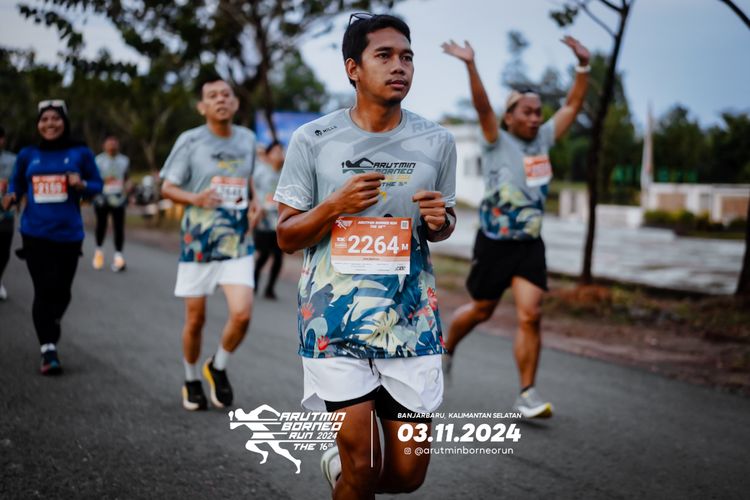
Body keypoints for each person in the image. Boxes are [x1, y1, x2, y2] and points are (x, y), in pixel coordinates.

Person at [274, 13, 456, 498]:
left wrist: (441, 222)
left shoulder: (437, 142)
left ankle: (343, 469)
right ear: (353, 68)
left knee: (407, 475)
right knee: (363, 466)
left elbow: (443, 224)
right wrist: (334, 206)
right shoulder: (312, 140)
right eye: (385, 55)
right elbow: (286, 236)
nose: (400, 66)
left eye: (407, 57)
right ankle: (350, 470)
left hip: (409, 322)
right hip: (333, 320)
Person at [441, 36, 589, 418]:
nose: (536, 118)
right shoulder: (495, 139)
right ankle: (446, 349)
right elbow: (482, 106)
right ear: (509, 117)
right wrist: (470, 64)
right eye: (527, 112)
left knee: (531, 314)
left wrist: (582, 66)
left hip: (529, 244)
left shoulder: (544, 139)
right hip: (494, 242)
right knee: (481, 310)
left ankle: (526, 393)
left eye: (539, 112)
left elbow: (572, 105)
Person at [159, 75, 258, 411]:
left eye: (226, 94)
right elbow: (167, 187)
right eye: (212, 96)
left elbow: (248, 180)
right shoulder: (190, 140)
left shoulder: (247, 138)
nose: (220, 100)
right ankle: (191, 378)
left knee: (242, 314)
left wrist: (255, 203)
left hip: (237, 242)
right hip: (198, 243)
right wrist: (195, 198)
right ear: (202, 107)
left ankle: (217, 366)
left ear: (235, 103)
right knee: (196, 319)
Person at [2, 100, 103, 374]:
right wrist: (11, 196)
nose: (50, 123)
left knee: (62, 292)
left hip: (69, 234)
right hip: (35, 233)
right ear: (38, 124)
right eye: (44, 119)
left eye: (55, 118)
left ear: (64, 122)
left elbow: (97, 184)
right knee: (44, 289)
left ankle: (51, 321)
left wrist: (82, 184)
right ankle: (48, 349)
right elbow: (17, 182)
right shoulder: (28, 154)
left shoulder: (80, 152)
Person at [252, 140, 284, 299]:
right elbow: (252, 187)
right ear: (268, 154)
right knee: (263, 254)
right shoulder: (261, 171)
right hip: (264, 219)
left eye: (281, 151)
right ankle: (254, 283)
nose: (279, 154)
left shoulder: (286, 172)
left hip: (280, 221)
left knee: (278, 256)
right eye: (275, 151)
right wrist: (257, 205)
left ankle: (270, 288)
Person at [92, 135, 130, 272]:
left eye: (115, 143)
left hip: (118, 197)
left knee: (119, 226)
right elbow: (93, 178)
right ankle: (99, 251)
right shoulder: (98, 160)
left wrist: (128, 189)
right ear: (104, 145)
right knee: (101, 225)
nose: (112, 146)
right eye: (110, 143)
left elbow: (127, 178)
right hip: (102, 197)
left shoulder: (124, 160)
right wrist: (104, 180)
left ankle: (118, 256)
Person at [0, 126, 17, 300]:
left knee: (3, 250)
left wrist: (12, 193)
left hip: (5, 213)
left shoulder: (14, 160)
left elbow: (20, 183)